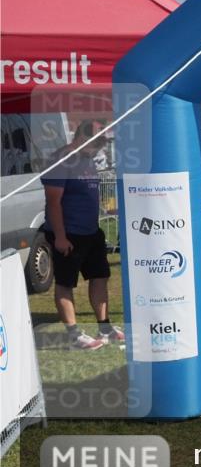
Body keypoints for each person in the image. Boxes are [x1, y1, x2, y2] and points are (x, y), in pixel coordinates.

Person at [42, 121, 124, 350]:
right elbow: (53, 202)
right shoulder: (60, 160)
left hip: (91, 232)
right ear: (83, 137)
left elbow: (87, 193)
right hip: (68, 234)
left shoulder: (87, 160)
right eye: (99, 142)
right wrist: (60, 237)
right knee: (66, 283)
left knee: (100, 277)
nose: (101, 147)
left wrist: (106, 209)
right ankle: (74, 335)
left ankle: (104, 327)